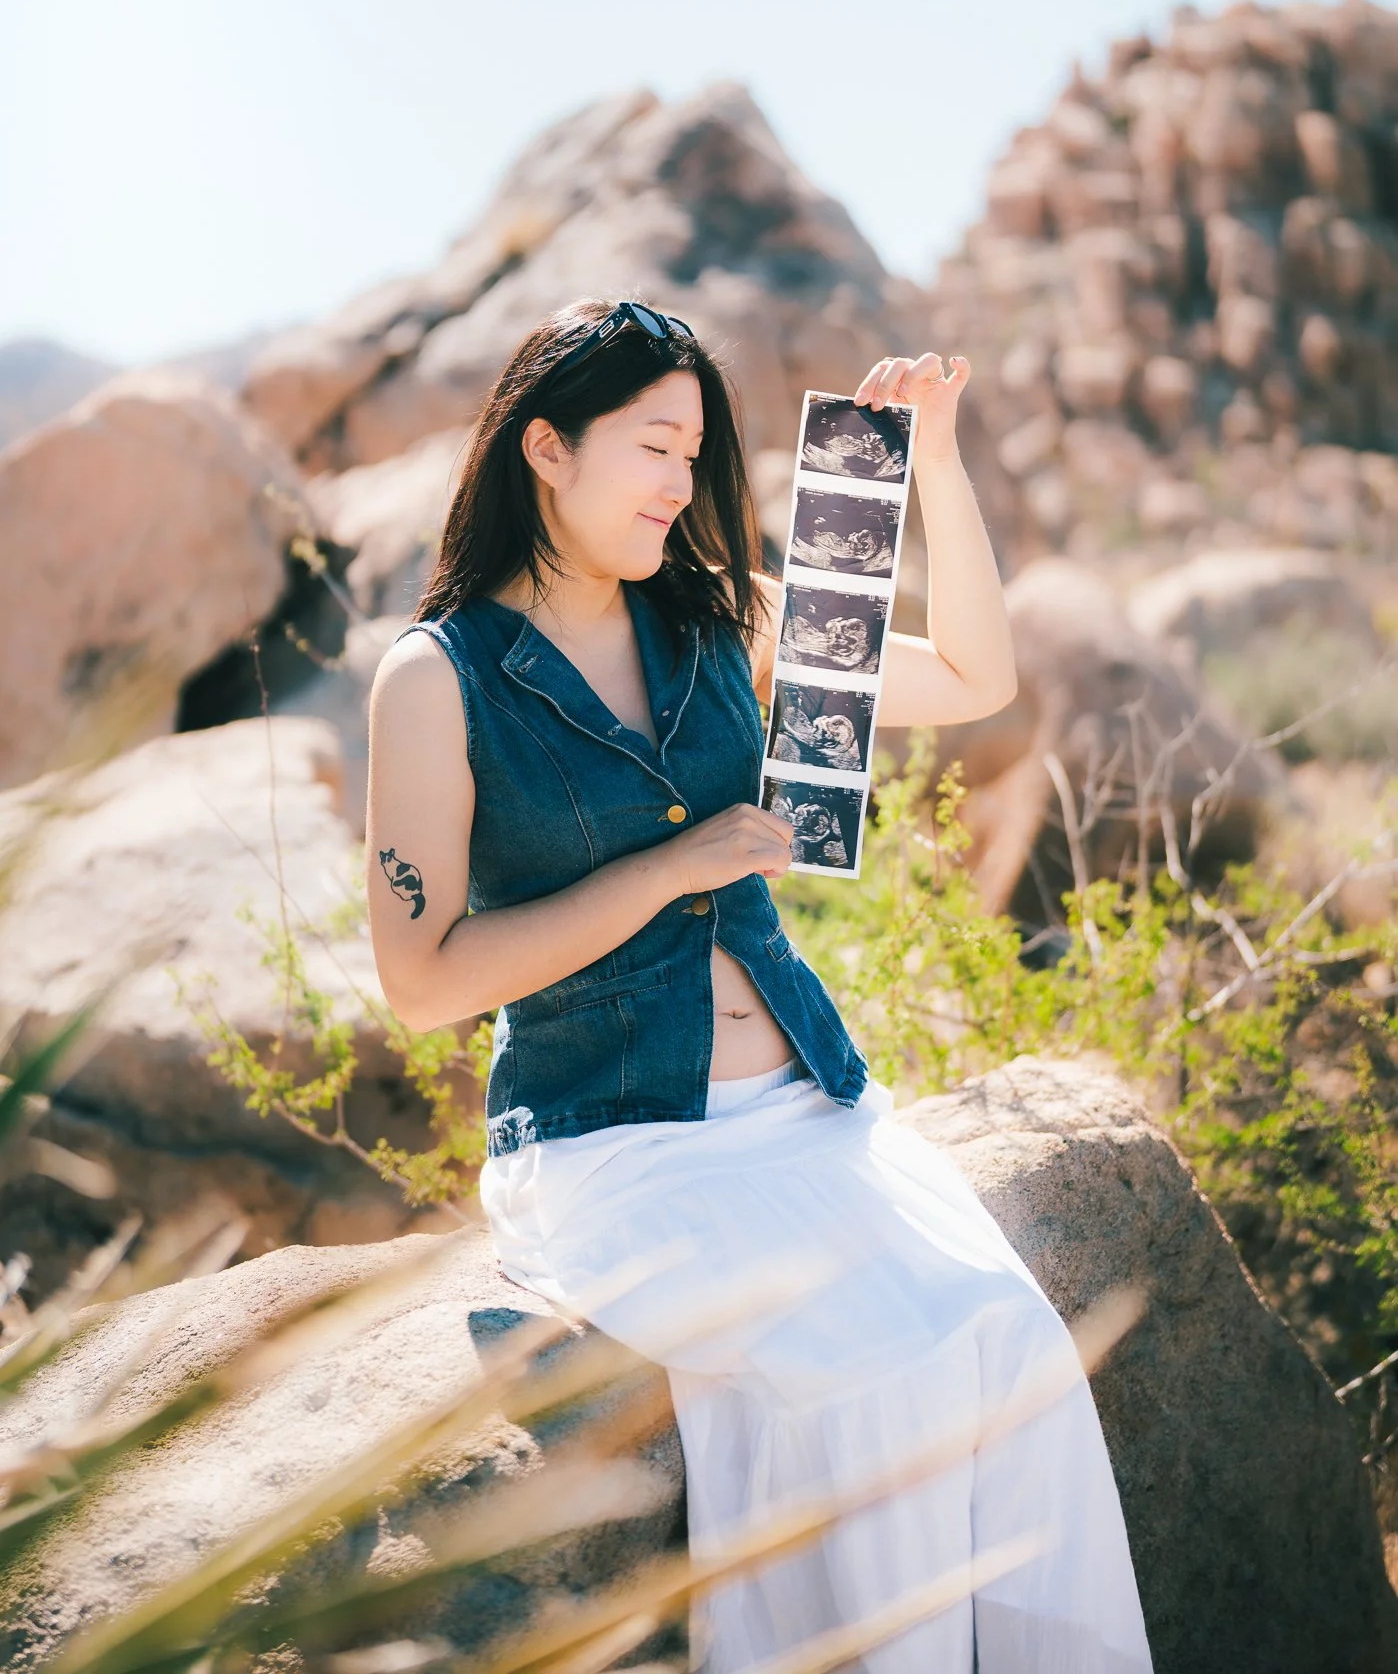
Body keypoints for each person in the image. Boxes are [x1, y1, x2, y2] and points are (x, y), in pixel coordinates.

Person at [366, 297, 1155, 1674]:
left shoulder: (729, 622)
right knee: (866, 1391)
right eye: (652, 447)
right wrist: (670, 869)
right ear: (544, 450)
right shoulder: (435, 680)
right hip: (617, 1142)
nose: (681, 483)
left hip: (814, 1111)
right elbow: (423, 984)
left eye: (695, 454)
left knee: (1015, 1354)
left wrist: (935, 463)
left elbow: (979, 672)